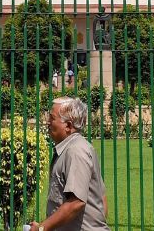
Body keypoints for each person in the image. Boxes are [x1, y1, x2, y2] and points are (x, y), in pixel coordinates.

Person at [28, 97, 109, 231]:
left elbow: (76, 202)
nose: (47, 122)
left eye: (52, 118)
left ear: (68, 126)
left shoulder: (75, 151)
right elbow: (102, 199)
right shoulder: (72, 148)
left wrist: (41, 228)